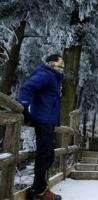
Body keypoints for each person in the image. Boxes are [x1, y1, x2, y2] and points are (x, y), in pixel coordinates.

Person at [19, 54, 64, 200]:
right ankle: (38, 192)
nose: (61, 68)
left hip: (48, 121)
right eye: (59, 65)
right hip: (43, 120)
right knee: (44, 155)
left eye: (63, 66)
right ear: (52, 64)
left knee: (49, 156)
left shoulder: (53, 78)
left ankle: (41, 188)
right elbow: (27, 87)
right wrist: (24, 107)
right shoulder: (46, 74)